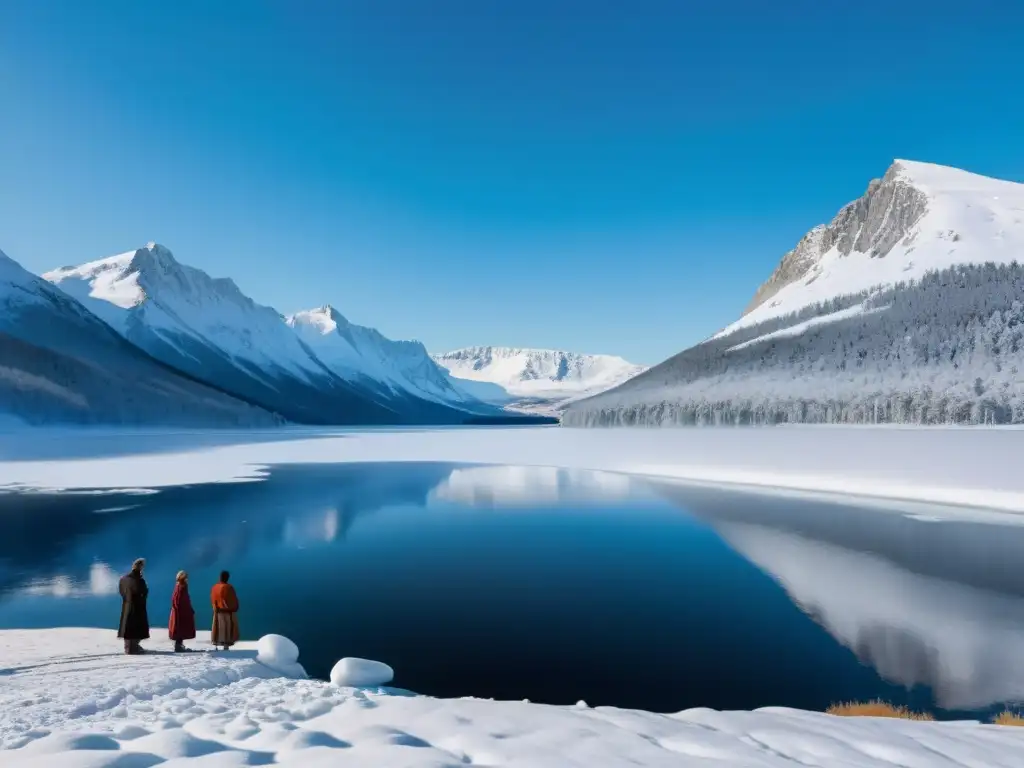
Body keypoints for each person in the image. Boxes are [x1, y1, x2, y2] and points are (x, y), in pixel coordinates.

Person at [117, 558, 150, 655]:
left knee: (127, 627)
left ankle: (128, 648)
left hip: (126, 606)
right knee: (137, 627)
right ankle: (134, 648)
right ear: (140, 567)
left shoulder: (124, 579)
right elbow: (143, 592)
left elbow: (121, 591)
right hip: (137, 607)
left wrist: (127, 599)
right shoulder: (139, 580)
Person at [210, 570, 240, 650]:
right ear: (227, 578)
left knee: (218, 628)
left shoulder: (214, 587)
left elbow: (212, 599)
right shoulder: (228, 587)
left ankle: (217, 643)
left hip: (217, 611)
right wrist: (234, 608)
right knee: (226, 628)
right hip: (226, 611)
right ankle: (225, 645)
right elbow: (232, 600)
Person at [168, 570, 196, 652]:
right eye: (185, 577)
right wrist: (187, 609)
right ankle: (178, 646)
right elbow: (180, 600)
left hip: (179, 611)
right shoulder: (182, 587)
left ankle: (179, 645)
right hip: (181, 612)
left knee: (179, 629)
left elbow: (176, 600)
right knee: (181, 629)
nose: (187, 578)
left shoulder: (178, 586)